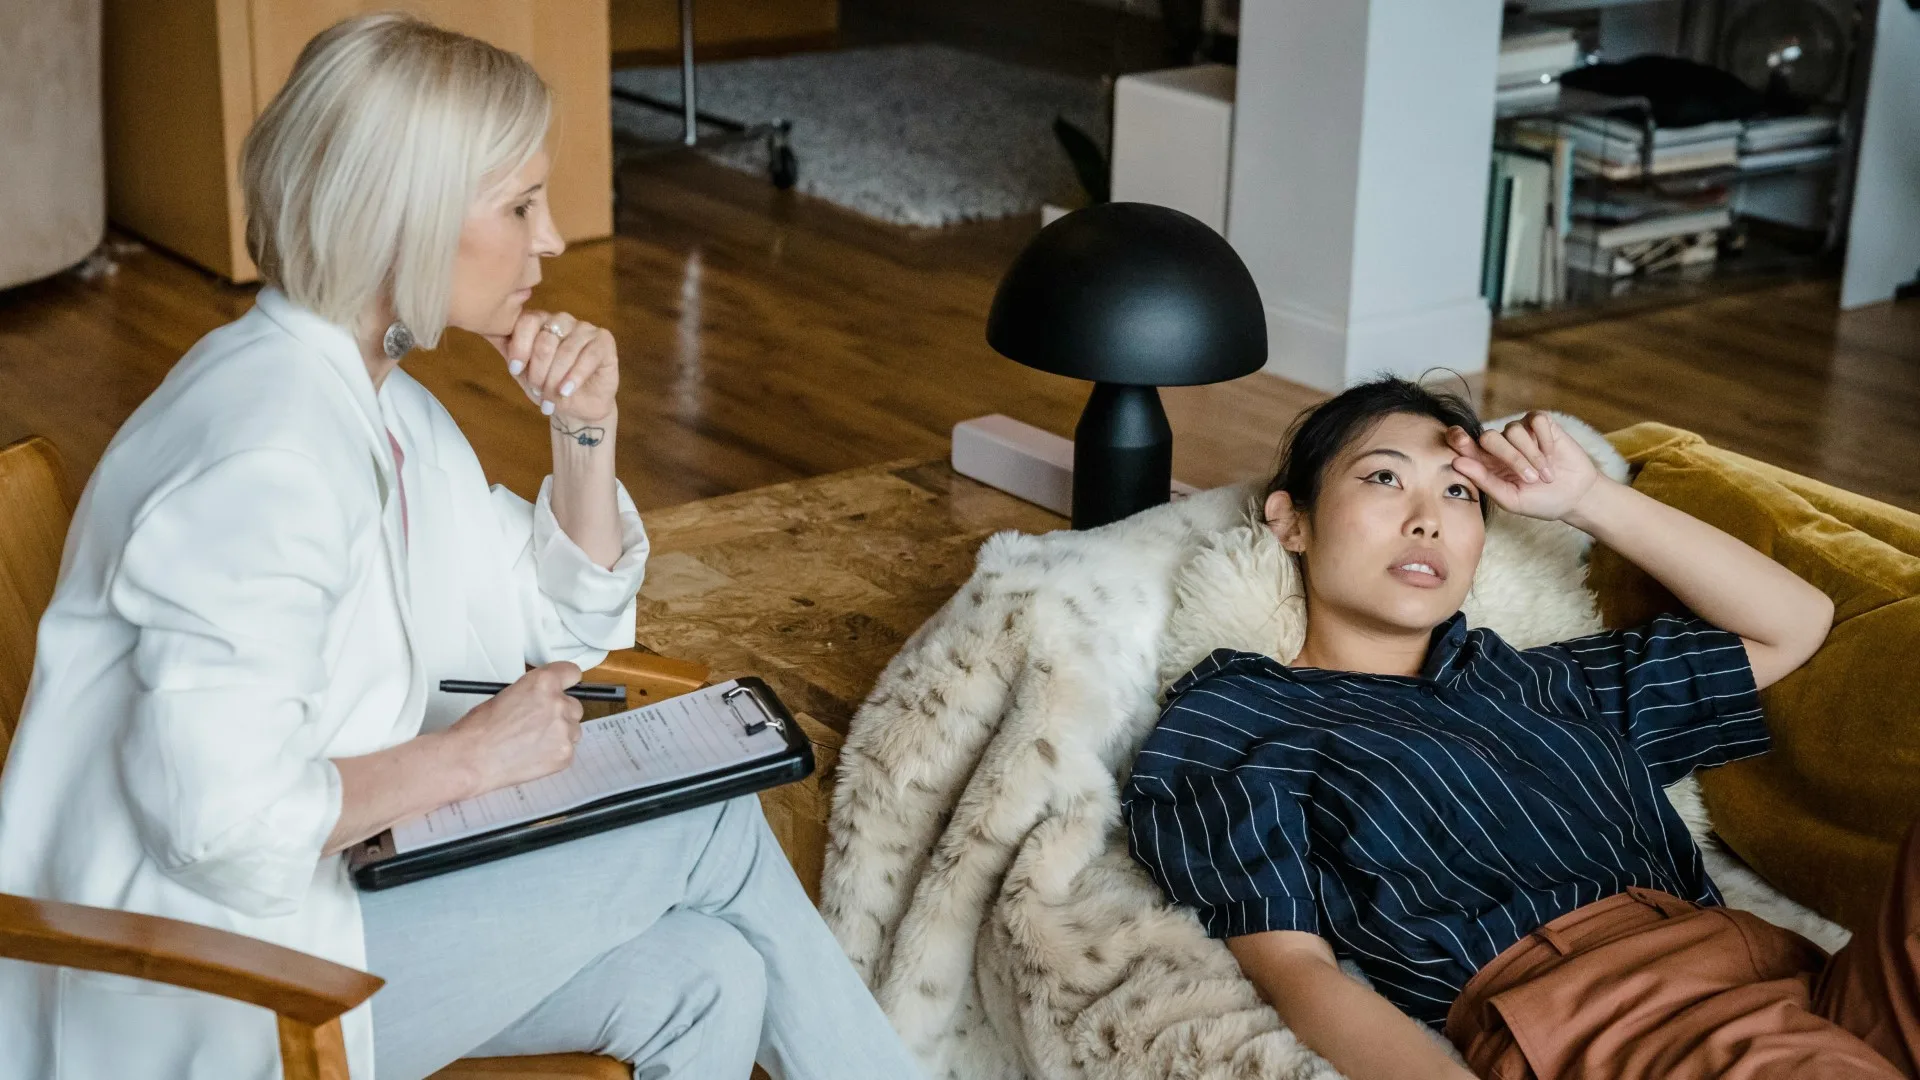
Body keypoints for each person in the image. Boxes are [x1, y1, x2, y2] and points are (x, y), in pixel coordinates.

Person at [0, 14, 923, 1080]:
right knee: (704, 829)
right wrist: (471, 759)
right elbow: (219, 825)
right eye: (521, 205)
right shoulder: (267, 460)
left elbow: (561, 633)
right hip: (215, 984)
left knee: (709, 974)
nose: (553, 242)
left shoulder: (381, 412)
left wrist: (583, 431)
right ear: (409, 219)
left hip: (333, 907)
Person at [1124, 377, 1920, 1080]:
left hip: (1791, 979)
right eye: (1383, 479)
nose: (1427, 520)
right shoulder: (1243, 715)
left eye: (1459, 493)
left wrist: (1586, 499)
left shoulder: (1530, 679)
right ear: (1290, 521)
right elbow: (1295, 969)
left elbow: (1794, 622)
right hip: (1611, 1014)